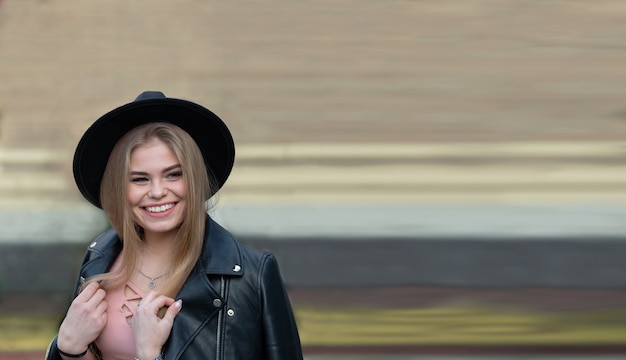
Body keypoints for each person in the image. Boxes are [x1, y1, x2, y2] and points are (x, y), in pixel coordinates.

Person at [45, 91, 303, 360]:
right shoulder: (98, 259)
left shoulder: (252, 276)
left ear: (194, 178)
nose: (157, 192)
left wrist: (150, 354)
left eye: (173, 174)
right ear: (119, 188)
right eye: (140, 179)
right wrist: (67, 349)